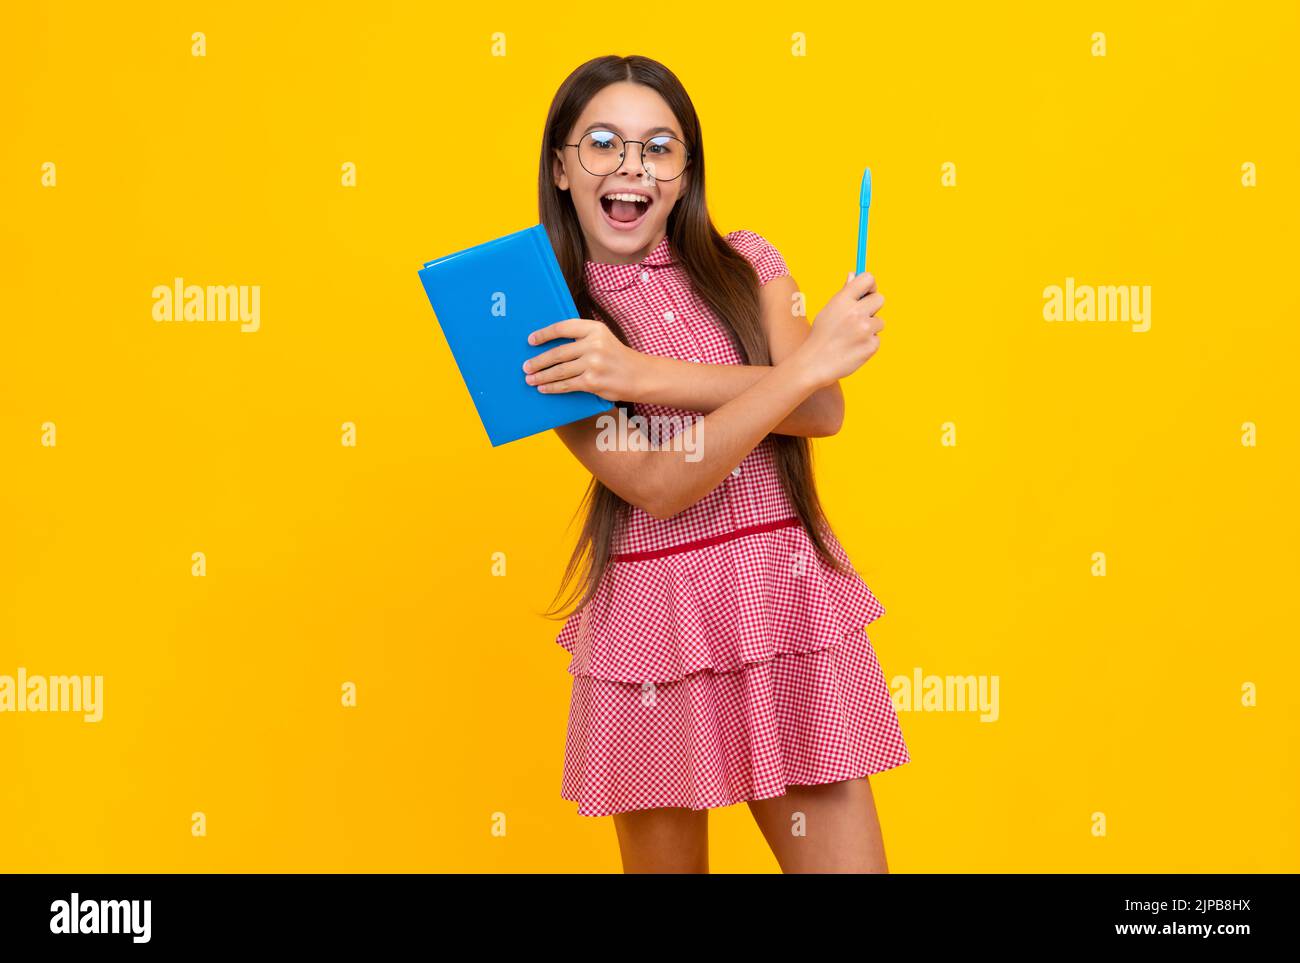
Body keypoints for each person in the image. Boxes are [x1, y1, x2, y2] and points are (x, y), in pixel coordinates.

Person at [528, 54, 907, 873]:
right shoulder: (538, 324)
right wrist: (802, 369)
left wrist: (641, 375)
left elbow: (820, 410)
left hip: (783, 602)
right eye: (603, 143)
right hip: (648, 630)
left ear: (685, 171)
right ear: (561, 165)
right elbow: (657, 482)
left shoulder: (747, 262)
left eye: (659, 148)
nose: (633, 167)